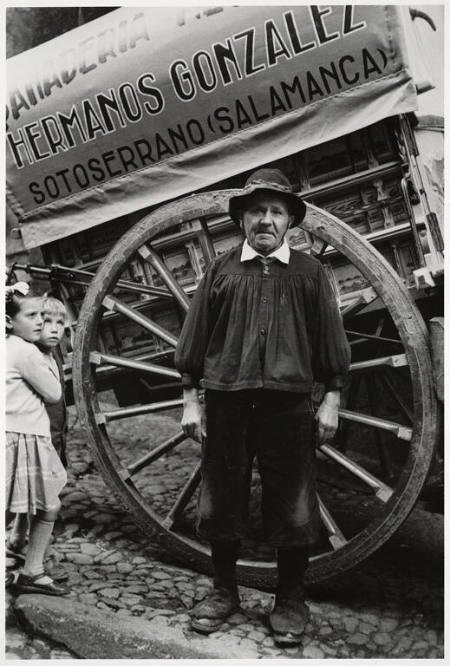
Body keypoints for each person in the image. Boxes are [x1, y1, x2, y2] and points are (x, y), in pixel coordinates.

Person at [175, 168, 351, 645]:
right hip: (228, 402)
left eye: (276, 211)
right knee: (222, 497)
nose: (266, 220)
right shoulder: (222, 269)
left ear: (291, 220)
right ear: (243, 220)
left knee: (292, 503)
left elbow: (330, 341)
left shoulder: (310, 273)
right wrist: (191, 398)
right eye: (257, 211)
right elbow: (194, 339)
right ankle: (223, 591)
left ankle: (290, 599)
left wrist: (331, 396)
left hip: (288, 406)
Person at [5, 282, 69, 595]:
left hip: (25, 435)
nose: (42, 324)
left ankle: (18, 550)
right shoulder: (28, 353)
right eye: (32, 316)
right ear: (9, 320)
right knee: (47, 504)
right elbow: (55, 394)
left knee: (28, 501)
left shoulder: (13, 347)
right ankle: (31, 569)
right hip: (23, 437)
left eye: (40, 316)